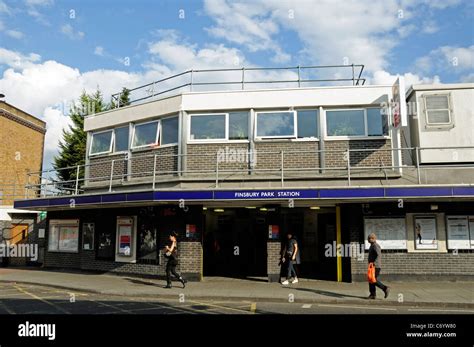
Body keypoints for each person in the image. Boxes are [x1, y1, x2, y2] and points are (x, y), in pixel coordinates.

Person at [367, 233, 390, 299]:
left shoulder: (375, 245)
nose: (369, 239)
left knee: (373, 279)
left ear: (374, 239)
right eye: (368, 238)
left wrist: (374, 263)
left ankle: (385, 288)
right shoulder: (372, 245)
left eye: (371, 238)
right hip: (372, 266)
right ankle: (372, 294)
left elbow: (378, 254)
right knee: (371, 280)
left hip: (375, 266)